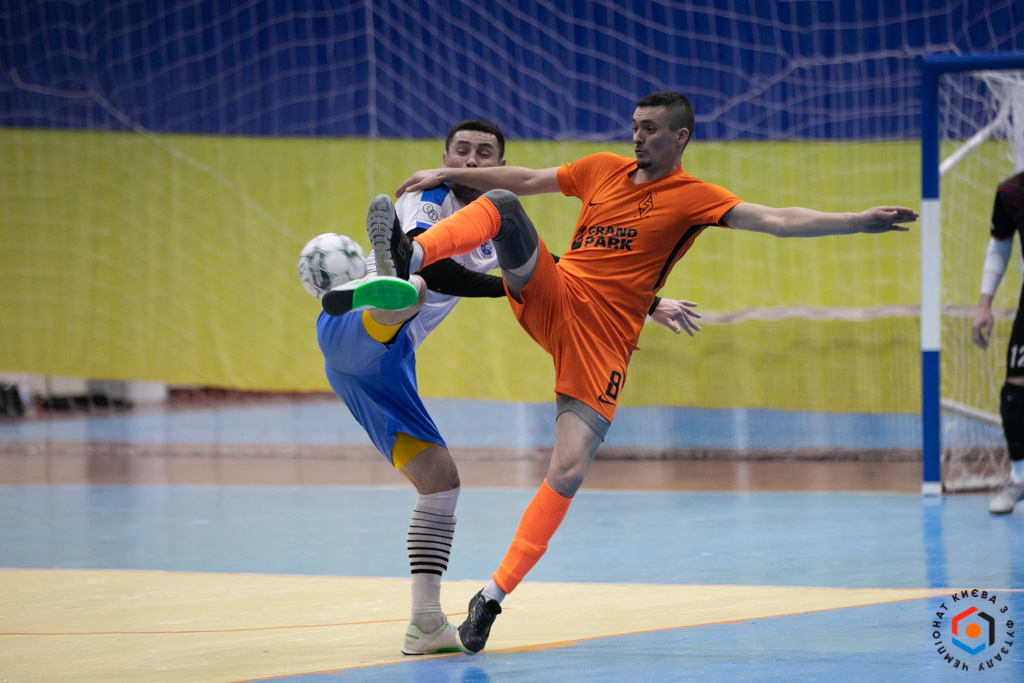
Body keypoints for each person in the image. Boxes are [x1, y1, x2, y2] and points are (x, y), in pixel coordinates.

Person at [380, 91, 917, 654]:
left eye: (651, 128)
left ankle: (490, 599)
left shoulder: (694, 198)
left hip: (604, 341)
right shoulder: (601, 168)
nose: (637, 136)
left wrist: (858, 221)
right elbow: (530, 178)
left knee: (568, 469)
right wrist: (445, 173)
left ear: (680, 136)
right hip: (555, 294)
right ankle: (411, 255)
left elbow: (778, 220)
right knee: (504, 204)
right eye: (635, 126)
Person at [311, 118, 701, 656]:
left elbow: (562, 271)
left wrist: (649, 302)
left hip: (384, 368)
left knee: (440, 484)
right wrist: (509, 290)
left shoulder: (488, 225)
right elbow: (443, 271)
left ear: (499, 165)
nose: (471, 161)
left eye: (483, 154)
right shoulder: (430, 198)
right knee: (419, 280)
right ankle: (383, 290)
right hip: (354, 332)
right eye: (461, 151)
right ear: (444, 159)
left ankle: (425, 625)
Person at [970, 170, 1024, 515]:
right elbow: (1000, 246)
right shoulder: (1011, 192)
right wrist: (984, 305)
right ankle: (1020, 478)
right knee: (1015, 395)